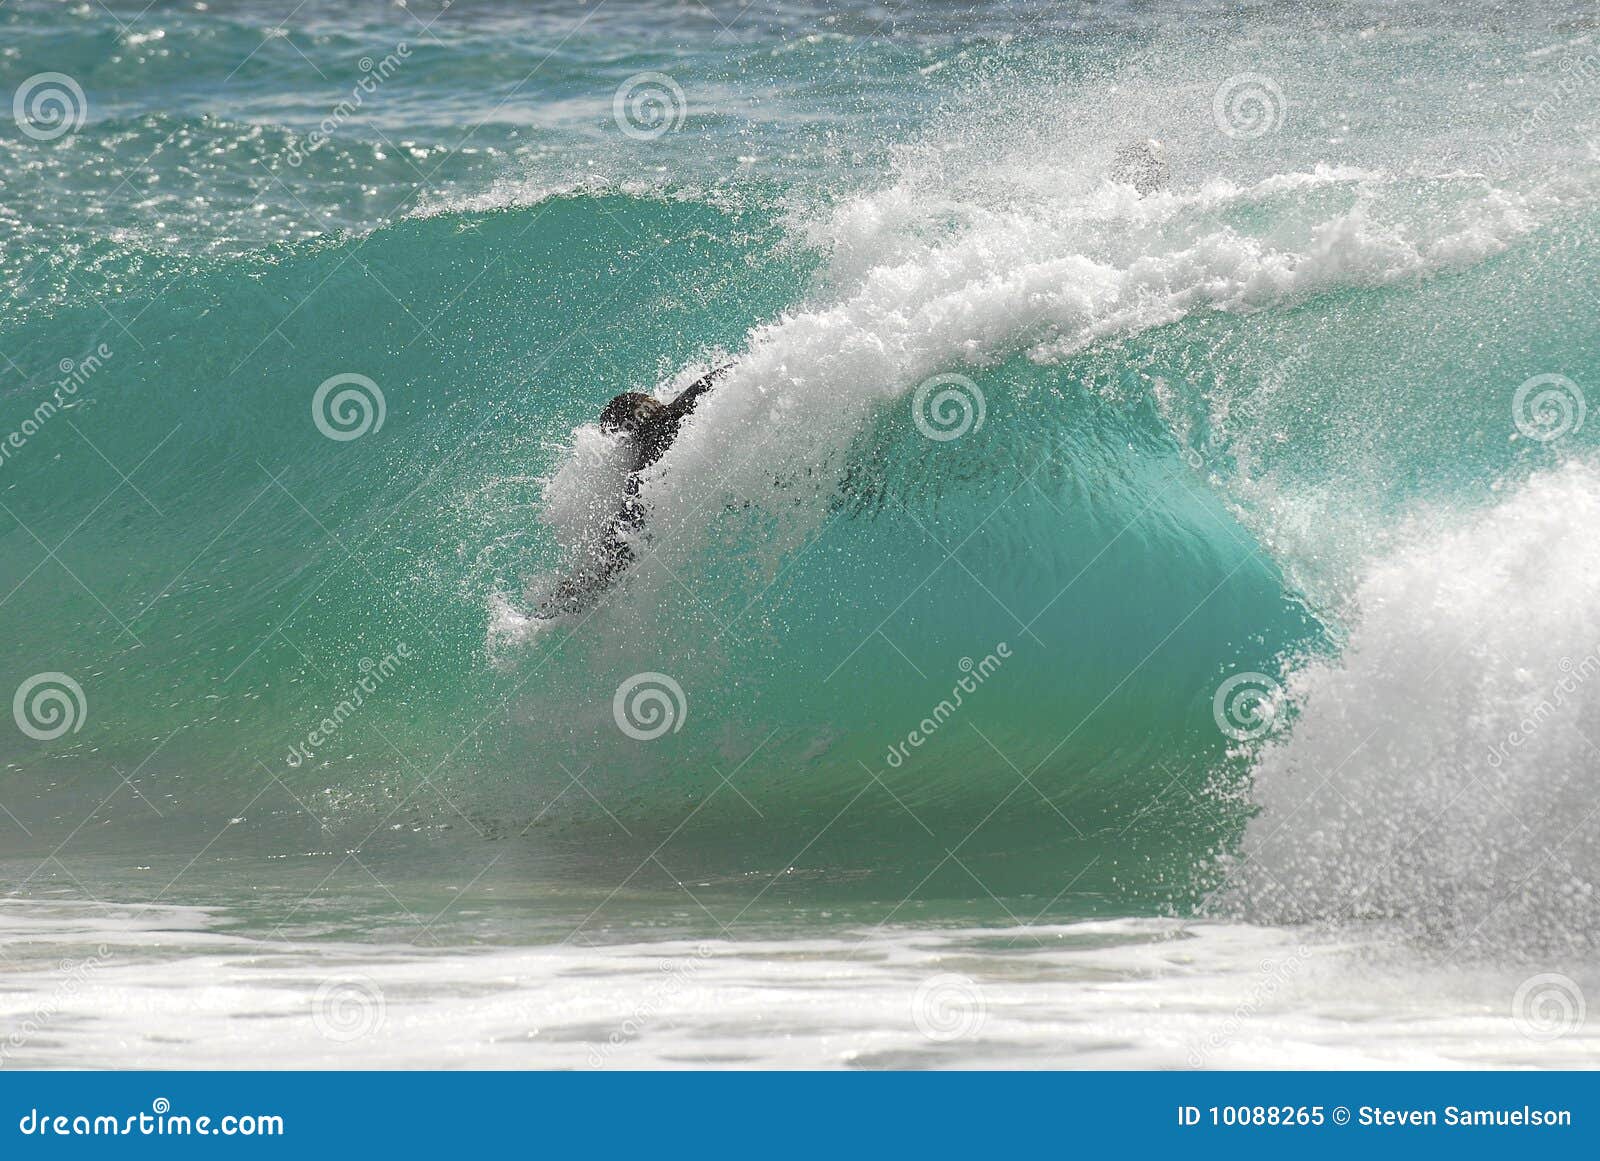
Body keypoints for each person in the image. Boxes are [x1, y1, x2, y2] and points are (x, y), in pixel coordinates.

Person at [539, 365, 729, 616]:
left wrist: (571, 592)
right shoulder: (691, 398)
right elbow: (733, 374)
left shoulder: (644, 469)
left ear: (627, 433)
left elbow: (620, 542)